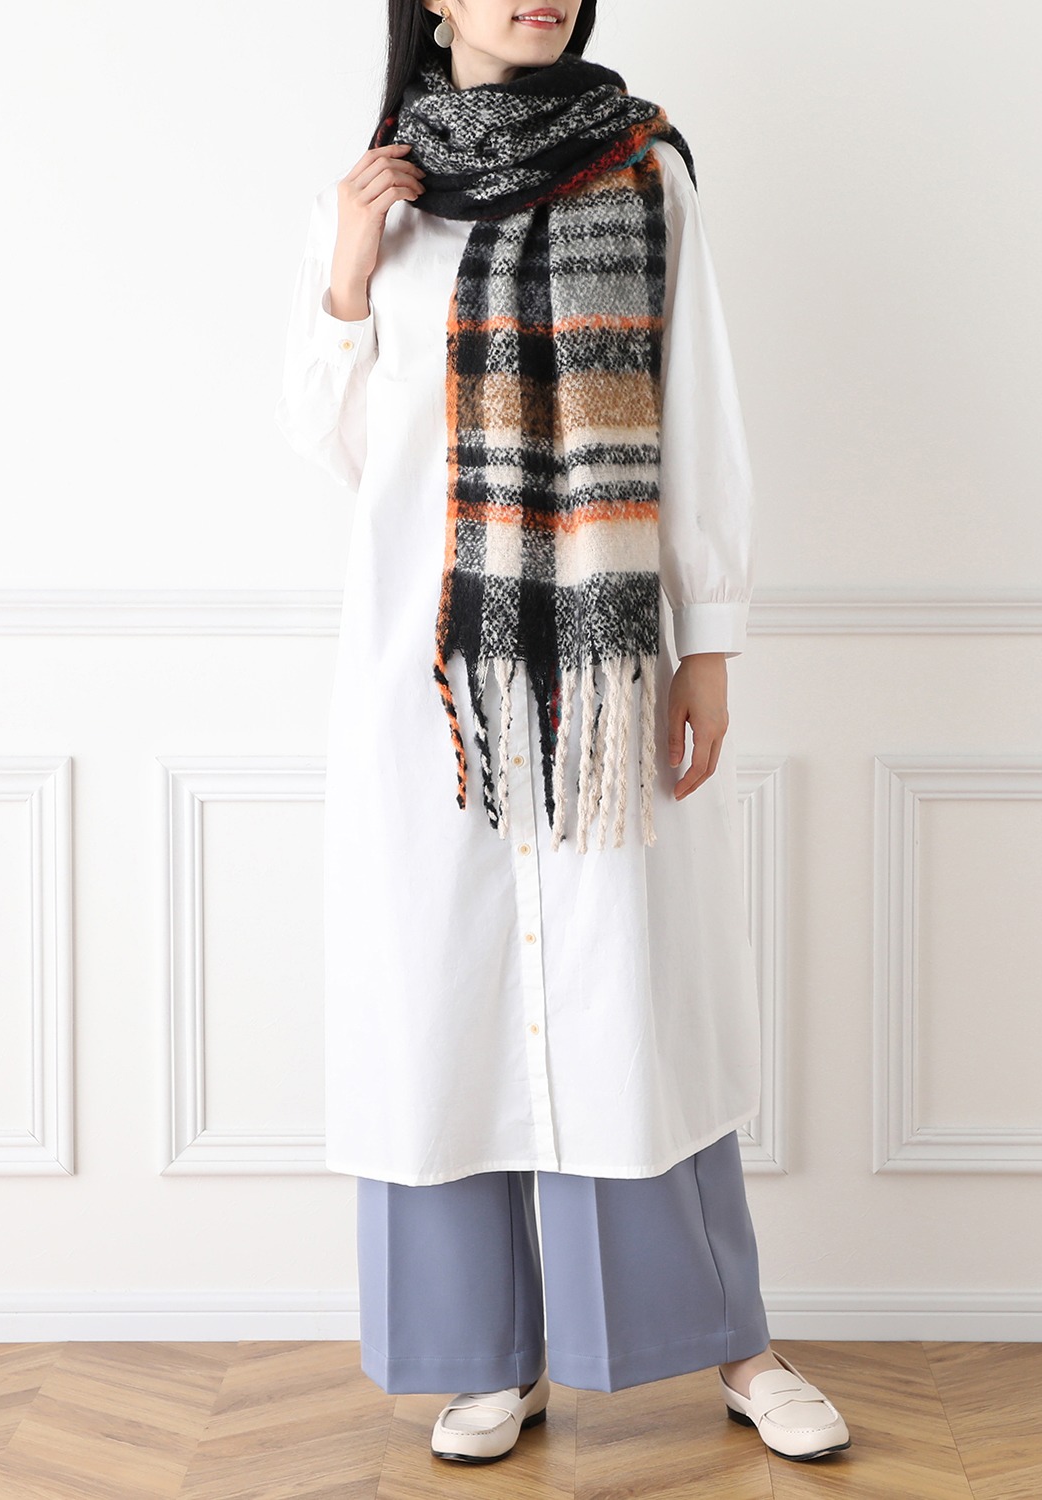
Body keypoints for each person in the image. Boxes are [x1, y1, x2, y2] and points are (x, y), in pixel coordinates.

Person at [275, 0, 851, 1466]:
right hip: (434, 682)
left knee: (635, 1001)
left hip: (605, 671)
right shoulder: (380, 195)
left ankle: (735, 1342)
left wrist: (708, 645)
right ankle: (486, 1360)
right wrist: (346, 279)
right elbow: (345, 452)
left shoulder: (645, 169)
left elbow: (698, 408)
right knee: (446, 1010)